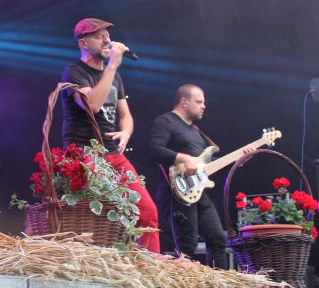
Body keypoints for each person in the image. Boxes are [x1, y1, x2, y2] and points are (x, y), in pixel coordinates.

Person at [60, 17, 160, 254]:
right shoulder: (74, 72)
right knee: (97, 216)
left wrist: (126, 132)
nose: (107, 40)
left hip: (113, 154)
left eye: (108, 35)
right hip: (84, 154)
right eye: (99, 36)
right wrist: (113, 64)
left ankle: (150, 266)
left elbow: (126, 115)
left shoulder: (114, 77)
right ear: (83, 43)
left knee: (147, 211)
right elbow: (92, 105)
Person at [148, 84, 247, 268]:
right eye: (199, 102)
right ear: (184, 102)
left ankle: (218, 283)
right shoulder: (165, 121)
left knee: (217, 238)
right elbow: (154, 150)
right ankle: (179, 282)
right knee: (188, 244)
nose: (204, 106)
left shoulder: (195, 131)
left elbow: (205, 165)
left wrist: (237, 160)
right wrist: (184, 158)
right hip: (176, 191)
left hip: (198, 192)